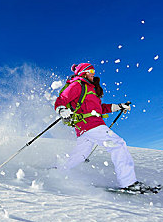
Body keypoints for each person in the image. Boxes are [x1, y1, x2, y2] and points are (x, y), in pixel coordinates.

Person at [54, 62, 150, 192]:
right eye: (91, 72)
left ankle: (56, 171)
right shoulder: (78, 84)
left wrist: (119, 106)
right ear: (84, 72)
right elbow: (62, 99)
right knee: (118, 144)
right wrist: (61, 110)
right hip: (91, 125)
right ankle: (128, 183)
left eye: (94, 72)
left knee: (80, 156)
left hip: (85, 129)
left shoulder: (91, 90)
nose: (93, 75)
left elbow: (101, 108)